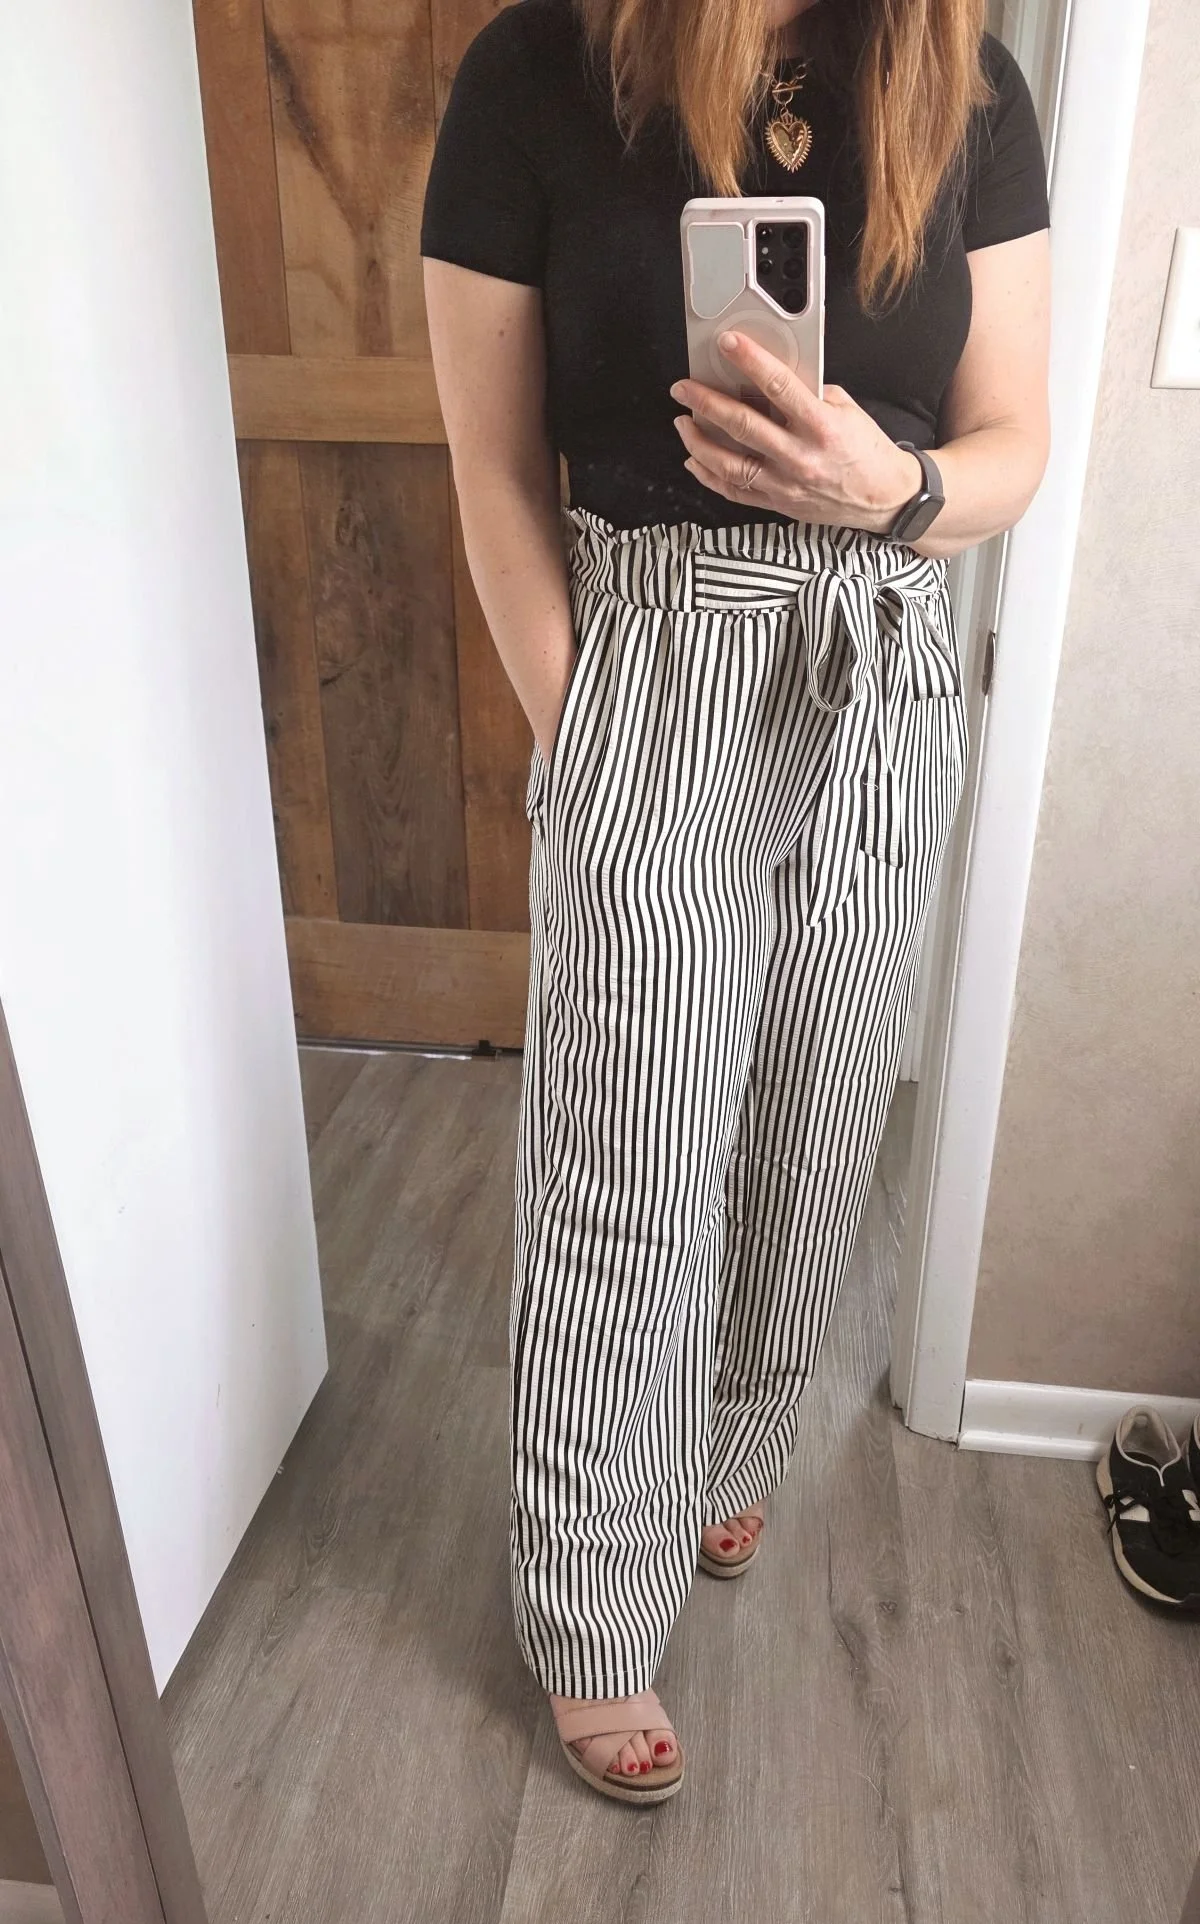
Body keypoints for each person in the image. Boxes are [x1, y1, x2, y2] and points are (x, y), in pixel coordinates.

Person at [420, 0, 1050, 1804]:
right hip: (653, 659)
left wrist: (898, 486)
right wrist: (587, 729)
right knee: (628, 1159)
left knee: (814, 1113)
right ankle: (595, 1606)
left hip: (884, 655)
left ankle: (725, 1451)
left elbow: (1012, 438)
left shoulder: (964, 80)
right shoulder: (536, 74)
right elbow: (488, 457)